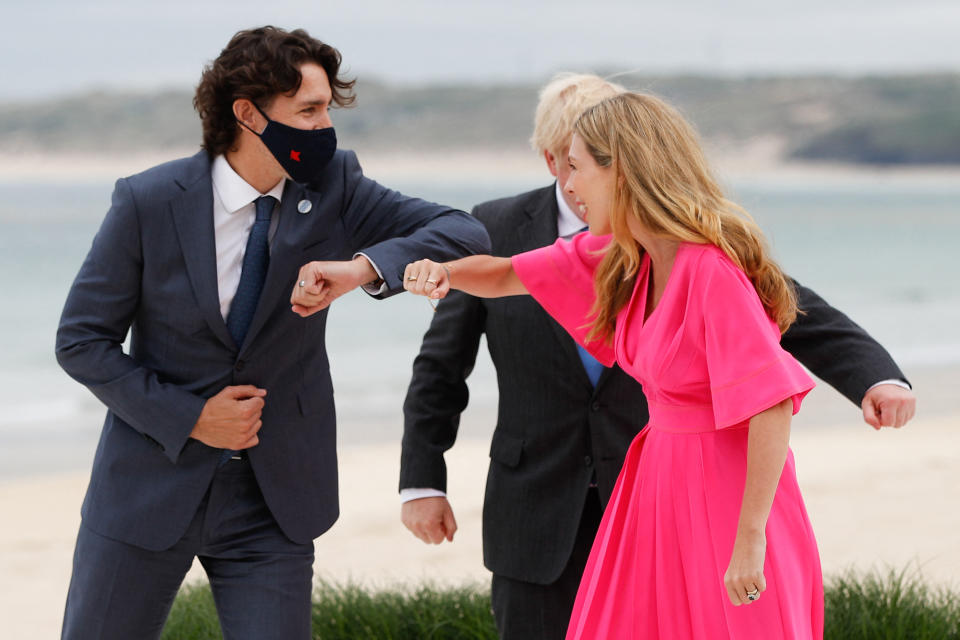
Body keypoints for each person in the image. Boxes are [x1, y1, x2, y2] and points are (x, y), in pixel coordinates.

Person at [392, 74, 915, 639]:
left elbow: (772, 402)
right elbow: (501, 274)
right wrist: (439, 271)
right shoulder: (624, 255)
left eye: (579, 168)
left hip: (723, 495)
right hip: (652, 489)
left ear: (622, 168)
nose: (569, 186)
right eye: (561, 166)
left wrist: (750, 537)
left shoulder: (709, 267)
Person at [54, 26, 489, 640]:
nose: (323, 128)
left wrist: (360, 269)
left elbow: (464, 231)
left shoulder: (335, 185)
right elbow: (81, 341)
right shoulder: (148, 201)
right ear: (246, 113)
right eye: (307, 111)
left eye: (326, 111)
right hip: (146, 489)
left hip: (274, 499)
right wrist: (191, 416)